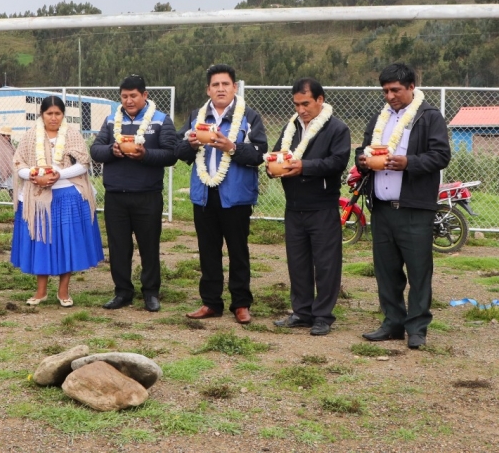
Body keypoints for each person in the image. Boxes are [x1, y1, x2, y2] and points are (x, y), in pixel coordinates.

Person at [357, 63, 450, 349]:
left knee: (419, 270)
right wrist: (362, 160)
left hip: (414, 208)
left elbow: (441, 155)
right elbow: (363, 149)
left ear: (412, 87)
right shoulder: (379, 118)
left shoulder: (429, 116)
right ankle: (392, 323)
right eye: (385, 90)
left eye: (395, 89)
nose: (390, 96)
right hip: (383, 209)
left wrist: (408, 162)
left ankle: (418, 328)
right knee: (386, 271)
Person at [176, 64, 267, 325]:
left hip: (236, 196)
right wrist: (190, 144)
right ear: (208, 89)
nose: (220, 89)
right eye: (215, 85)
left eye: (225, 84)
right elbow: (178, 152)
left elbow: (260, 154)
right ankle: (210, 302)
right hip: (204, 195)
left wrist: (232, 147)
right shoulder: (197, 115)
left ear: (234, 87)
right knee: (208, 251)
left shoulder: (249, 116)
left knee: (238, 251)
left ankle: (241, 304)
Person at [269, 78, 351, 336]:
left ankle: (323, 316)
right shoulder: (291, 127)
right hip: (294, 206)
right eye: (296, 104)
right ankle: (302, 312)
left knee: (326, 263)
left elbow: (337, 162)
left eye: (306, 103)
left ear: (320, 100)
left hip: (322, 205)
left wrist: (304, 166)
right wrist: (273, 168)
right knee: (298, 262)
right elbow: (277, 153)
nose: (301, 109)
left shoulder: (336, 128)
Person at [90, 75, 177, 312]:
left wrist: (145, 155)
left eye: (133, 96)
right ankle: (122, 292)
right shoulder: (111, 120)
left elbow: (171, 154)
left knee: (149, 245)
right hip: (116, 195)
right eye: (124, 96)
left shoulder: (160, 120)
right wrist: (112, 149)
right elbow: (95, 150)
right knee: (118, 247)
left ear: (145, 95)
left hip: (147, 195)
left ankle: (151, 292)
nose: (129, 101)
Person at [11, 96, 104, 306]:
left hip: (67, 196)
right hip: (38, 199)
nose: (53, 118)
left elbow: (83, 164)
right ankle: (41, 291)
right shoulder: (29, 136)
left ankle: (63, 292)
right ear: (41, 115)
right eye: (49, 114)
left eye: (58, 114)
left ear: (63, 115)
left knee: (66, 242)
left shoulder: (72, 134)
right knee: (41, 242)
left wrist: (57, 175)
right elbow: (18, 164)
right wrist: (35, 176)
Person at [0, 125, 16, 200]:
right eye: (5, 135)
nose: (7, 137)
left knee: (11, 187)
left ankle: (14, 203)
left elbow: (13, 154)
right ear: (1, 135)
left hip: (9, 169)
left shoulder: (9, 144)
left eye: (8, 135)